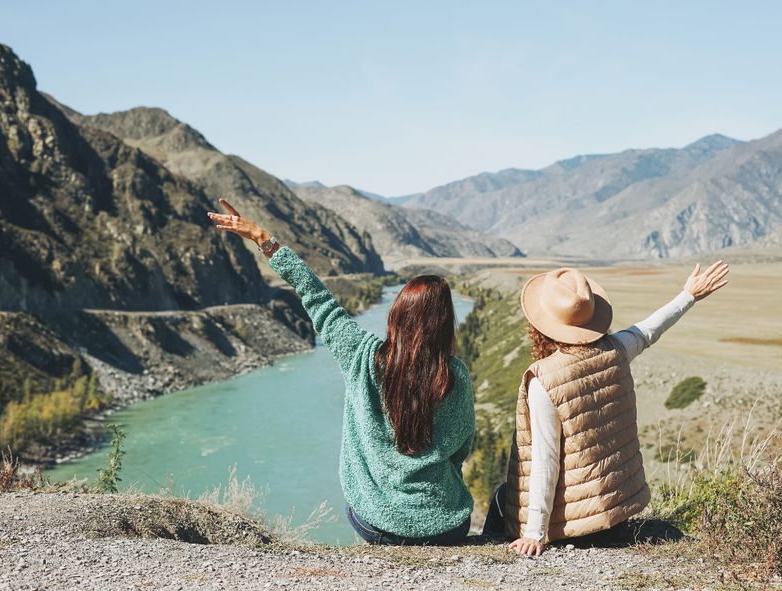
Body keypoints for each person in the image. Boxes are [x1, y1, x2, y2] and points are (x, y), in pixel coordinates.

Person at [208, 198, 475, 545]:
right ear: (443, 323)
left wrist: (263, 238)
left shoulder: (362, 355)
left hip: (377, 524)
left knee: (359, 503)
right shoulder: (454, 375)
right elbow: (462, 445)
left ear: (396, 315)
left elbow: (318, 299)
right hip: (445, 526)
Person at [483, 262, 729, 556]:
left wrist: (535, 533)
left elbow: (545, 459)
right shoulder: (616, 350)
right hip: (616, 513)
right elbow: (648, 331)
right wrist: (688, 295)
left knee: (502, 497)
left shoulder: (544, 380)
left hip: (576, 524)